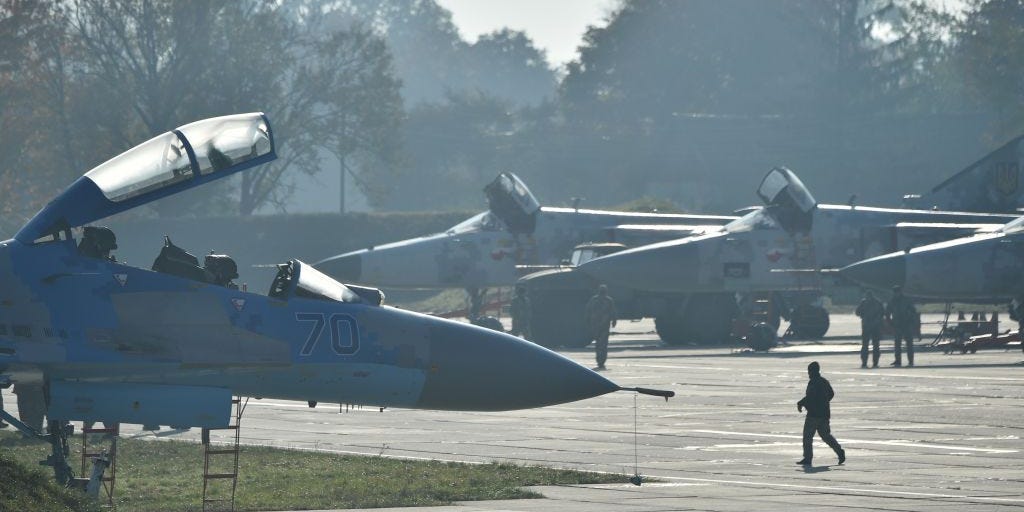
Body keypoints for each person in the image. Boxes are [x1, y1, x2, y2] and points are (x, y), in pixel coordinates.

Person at [796, 361, 845, 466]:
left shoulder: (813, 382)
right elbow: (831, 394)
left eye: (809, 371)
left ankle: (808, 458)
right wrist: (824, 402)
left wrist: (801, 403)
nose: (808, 374)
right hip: (824, 414)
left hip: (813, 415)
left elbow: (810, 397)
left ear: (812, 371)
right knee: (826, 436)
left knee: (808, 437)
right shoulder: (824, 381)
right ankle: (839, 451)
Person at [585, 284, 617, 370]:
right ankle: (601, 361)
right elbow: (613, 312)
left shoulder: (595, 299)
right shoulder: (606, 300)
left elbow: (588, 311)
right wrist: (614, 321)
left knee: (600, 344)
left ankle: (600, 360)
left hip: (598, 325)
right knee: (602, 344)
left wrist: (614, 320)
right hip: (601, 325)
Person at [885, 285, 917, 367]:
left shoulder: (906, 300)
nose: (896, 293)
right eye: (895, 292)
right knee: (897, 344)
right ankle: (898, 361)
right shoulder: (892, 301)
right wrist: (890, 323)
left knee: (909, 344)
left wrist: (911, 321)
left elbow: (913, 311)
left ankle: (910, 361)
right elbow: (887, 312)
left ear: (900, 292)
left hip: (906, 324)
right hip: (897, 325)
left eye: (897, 292)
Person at [855, 290, 884, 368]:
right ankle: (869, 362)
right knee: (869, 345)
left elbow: (881, 313)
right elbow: (857, 312)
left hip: (871, 326)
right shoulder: (872, 302)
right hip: (870, 326)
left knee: (872, 345)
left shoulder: (867, 302)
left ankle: (871, 362)